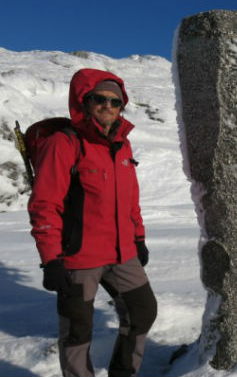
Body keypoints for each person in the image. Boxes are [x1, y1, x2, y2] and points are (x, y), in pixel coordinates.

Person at [28, 68, 157, 377]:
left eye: (116, 102)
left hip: (123, 253)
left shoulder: (122, 144)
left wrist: (138, 238)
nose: (108, 106)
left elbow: (130, 198)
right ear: (84, 101)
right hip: (79, 257)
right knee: (77, 330)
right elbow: (44, 204)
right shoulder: (65, 142)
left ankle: (123, 373)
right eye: (100, 99)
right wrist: (51, 260)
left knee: (142, 311)